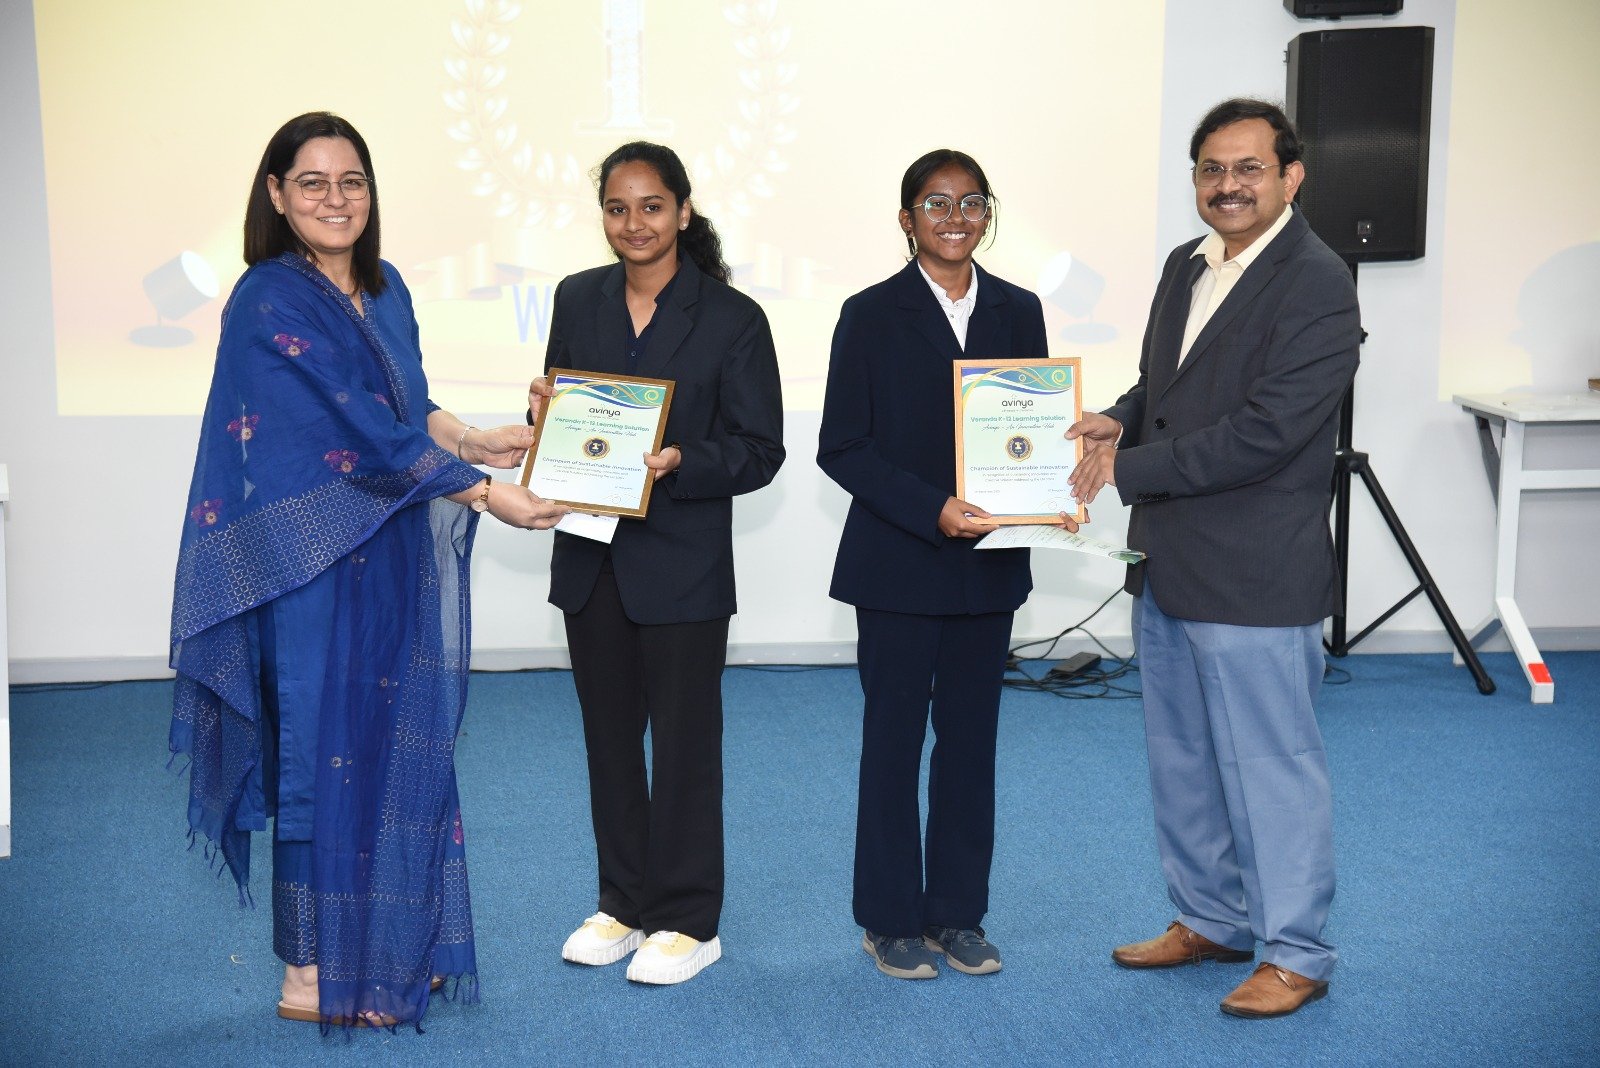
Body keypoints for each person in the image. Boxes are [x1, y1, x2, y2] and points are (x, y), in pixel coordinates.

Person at [169, 112, 567, 1030]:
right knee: (319, 752)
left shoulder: (385, 291)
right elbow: (343, 429)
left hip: (386, 554)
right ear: (275, 195)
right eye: (312, 183)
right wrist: (481, 493)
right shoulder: (266, 300)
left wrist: (475, 439)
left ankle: (381, 947)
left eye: (352, 181)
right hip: (311, 567)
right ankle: (309, 975)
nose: (335, 199)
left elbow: (403, 408)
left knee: (392, 740)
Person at [1066, 98, 1360, 1018]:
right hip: (1171, 560)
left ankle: (1298, 953)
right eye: (1211, 169)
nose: (1227, 186)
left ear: (1291, 176)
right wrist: (1119, 413)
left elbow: (1269, 431)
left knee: (1271, 767)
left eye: (1248, 169)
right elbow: (1173, 381)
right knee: (1183, 757)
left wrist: (1128, 467)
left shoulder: (1317, 281)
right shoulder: (1182, 267)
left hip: (1254, 573)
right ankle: (1212, 917)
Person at [526, 141, 784, 985]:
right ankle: (623, 904)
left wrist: (682, 461)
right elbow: (569, 413)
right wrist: (545, 412)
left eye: (650, 207)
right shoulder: (577, 297)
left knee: (682, 745)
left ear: (681, 210)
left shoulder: (732, 316)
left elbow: (759, 450)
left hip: (681, 562)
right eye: (616, 208)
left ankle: (688, 920)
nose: (633, 224)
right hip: (590, 558)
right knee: (607, 740)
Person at [818, 149, 1070, 980]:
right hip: (898, 563)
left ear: (987, 215)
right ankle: (889, 918)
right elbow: (842, 447)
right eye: (935, 203)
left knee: (971, 745)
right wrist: (932, 508)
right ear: (906, 220)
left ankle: (958, 913)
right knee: (892, 745)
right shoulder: (868, 313)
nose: (954, 217)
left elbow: (1029, 427)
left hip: (988, 566)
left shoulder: (1019, 309)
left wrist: (1047, 490)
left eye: (970, 202)